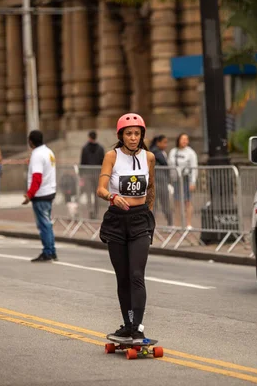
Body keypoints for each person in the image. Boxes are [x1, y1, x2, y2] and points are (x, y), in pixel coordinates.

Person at [97, 113, 156, 344]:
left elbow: (151, 188)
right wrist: (113, 196)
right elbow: (100, 189)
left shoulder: (149, 157)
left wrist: (149, 213)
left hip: (140, 220)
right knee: (122, 277)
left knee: (136, 275)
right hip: (116, 220)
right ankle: (128, 325)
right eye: (128, 133)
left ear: (142, 135)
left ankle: (138, 328)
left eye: (137, 133)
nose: (133, 138)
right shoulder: (111, 156)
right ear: (120, 135)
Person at [24, 130, 58, 263]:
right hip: (49, 191)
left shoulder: (37, 155)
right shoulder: (49, 152)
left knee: (44, 224)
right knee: (47, 223)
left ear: (31, 141)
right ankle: (52, 250)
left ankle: (48, 251)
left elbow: (37, 178)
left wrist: (29, 194)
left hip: (41, 193)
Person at [168, 133, 198, 228]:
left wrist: (193, 181)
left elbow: (194, 167)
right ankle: (177, 223)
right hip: (176, 179)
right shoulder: (173, 151)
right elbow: (170, 165)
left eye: (186, 139)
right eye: (183, 139)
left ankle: (188, 223)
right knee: (177, 202)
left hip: (186, 178)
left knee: (187, 201)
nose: (184, 141)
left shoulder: (191, 153)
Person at [80, 130, 105, 219]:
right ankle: (96, 211)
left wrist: (81, 174)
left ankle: (90, 210)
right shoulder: (101, 148)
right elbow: (103, 162)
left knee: (88, 193)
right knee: (96, 194)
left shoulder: (85, 148)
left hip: (87, 173)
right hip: (98, 173)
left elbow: (82, 162)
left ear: (89, 137)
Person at [149, 135, 173, 226]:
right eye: (164, 142)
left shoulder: (158, 152)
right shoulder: (156, 152)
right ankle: (169, 224)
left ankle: (153, 224)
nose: (166, 145)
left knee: (156, 205)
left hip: (159, 181)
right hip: (159, 182)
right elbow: (165, 164)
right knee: (162, 204)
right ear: (158, 143)